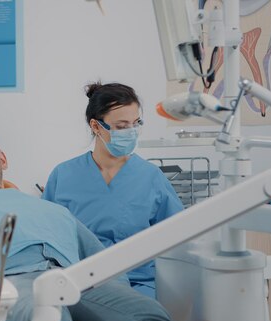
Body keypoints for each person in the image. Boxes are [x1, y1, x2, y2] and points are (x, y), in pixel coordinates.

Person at [0, 131, 190, 321]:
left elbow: (102, 265)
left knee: (149, 316)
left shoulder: (54, 210)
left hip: (74, 281)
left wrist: (123, 294)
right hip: (7, 285)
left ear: (2, 159)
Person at [42, 82, 184, 298]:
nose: (131, 132)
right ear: (96, 126)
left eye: (136, 123)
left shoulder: (150, 176)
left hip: (140, 286)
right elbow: (48, 238)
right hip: (81, 286)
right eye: (121, 126)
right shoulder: (63, 176)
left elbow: (177, 236)